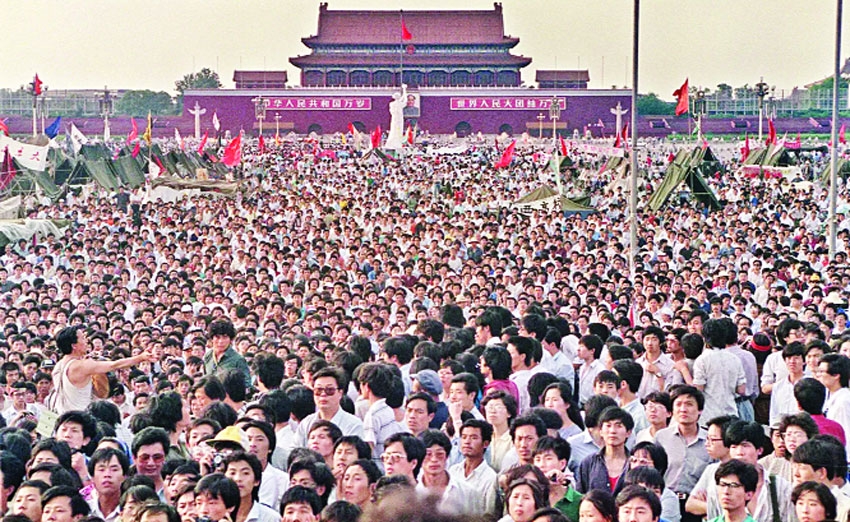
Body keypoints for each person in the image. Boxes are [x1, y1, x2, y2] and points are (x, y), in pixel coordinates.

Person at [50, 326, 154, 414]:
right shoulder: (82, 365)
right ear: (74, 345)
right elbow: (115, 365)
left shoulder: (59, 365)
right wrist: (141, 357)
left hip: (62, 417)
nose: (86, 341)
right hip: (81, 418)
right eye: (82, 338)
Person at [654, 386, 710, 522]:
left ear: (700, 410)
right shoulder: (661, 437)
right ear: (672, 410)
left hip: (696, 505)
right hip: (667, 502)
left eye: (689, 404)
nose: (683, 409)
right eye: (678, 404)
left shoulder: (710, 440)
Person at [296, 367, 363, 446]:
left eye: (329, 390)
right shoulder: (306, 423)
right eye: (318, 390)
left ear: (340, 393)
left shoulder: (353, 425)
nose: (323, 394)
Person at [417, 429, 479, 515]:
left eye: (439, 454)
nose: (434, 459)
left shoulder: (467, 492)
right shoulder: (412, 491)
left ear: (447, 456)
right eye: (428, 454)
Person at [575, 406, 633, 494]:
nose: (612, 431)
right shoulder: (589, 462)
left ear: (628, 432)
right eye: (608, 426)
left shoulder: (634, 463)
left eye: (618, 426)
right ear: (601, 431)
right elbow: (580, 495)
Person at [448, 419, 499, 516]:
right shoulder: (453, 471)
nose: (467, 442)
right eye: (464, 437)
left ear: (485, 443)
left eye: (473, 438)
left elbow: (489, 514)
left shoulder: (490, 478)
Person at [531, 436, 582, 521]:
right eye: (538, 459)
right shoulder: (531, 497)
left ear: (562, 464)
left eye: (548, 459)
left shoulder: (578, 500)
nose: (541, 465)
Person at [222, 452, 280, 522]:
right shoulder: (214, 514)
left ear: (256, 480)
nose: (238, 478)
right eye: (232, 473)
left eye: (245, 473)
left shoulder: (270, 518)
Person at [204, 319, 251, 387]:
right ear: (212, 339)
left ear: (230, 339)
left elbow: (247, 384)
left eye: (225, 337)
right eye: (217, 337)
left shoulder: (238, 359)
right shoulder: (208, 356)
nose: (221, 341)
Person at [87, 448, 129, 522]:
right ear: (92, 477)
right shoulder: (86, 510)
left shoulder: (131, 511)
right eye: (101, 470)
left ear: (124, 476)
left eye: (114, 469)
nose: (107, 475)